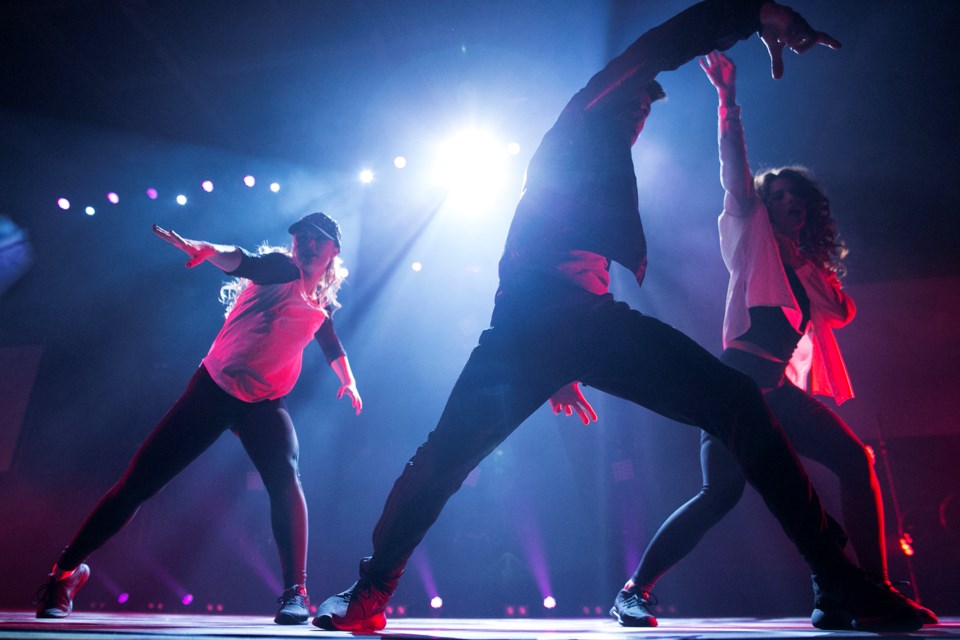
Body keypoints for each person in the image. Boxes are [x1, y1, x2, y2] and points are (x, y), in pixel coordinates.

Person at [313, 0, 927, 633]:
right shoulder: (579, 122)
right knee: (445, 456)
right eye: (636, 103)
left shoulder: (596, 171)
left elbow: (527, 254)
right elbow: (662, 45)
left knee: (741, 404)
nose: (639, 115)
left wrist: (559, 364)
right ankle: (367, 592)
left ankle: (840, 582)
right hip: (536, 326)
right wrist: (760, 15)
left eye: (643, 110)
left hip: (579, 324)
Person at [616, 49, 938, 629]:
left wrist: (813, 259)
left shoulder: (805, 265)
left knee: (853, 459)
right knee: (721, 494)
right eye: (779, 195)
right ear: (764, 205)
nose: (788, 201)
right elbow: (735, 170)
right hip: (737, 385)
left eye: (799, 198)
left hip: (776, 389)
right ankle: (635, 590)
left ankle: (861, 589)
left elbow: (842, 313)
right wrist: (728, 101)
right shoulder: (749, 232)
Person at [33, 212, 362, 625]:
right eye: (302, 236)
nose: (308, 243)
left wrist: (348, 381)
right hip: (214, 390)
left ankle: (295, 592)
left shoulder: (321, 303)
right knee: (138, 484)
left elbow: (330, 341)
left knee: (286, 478)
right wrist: (209, 251)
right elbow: (243, 260)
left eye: (318, 239)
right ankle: (64, 573)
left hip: (263, 402)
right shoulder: (280, 268)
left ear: (334, 251)